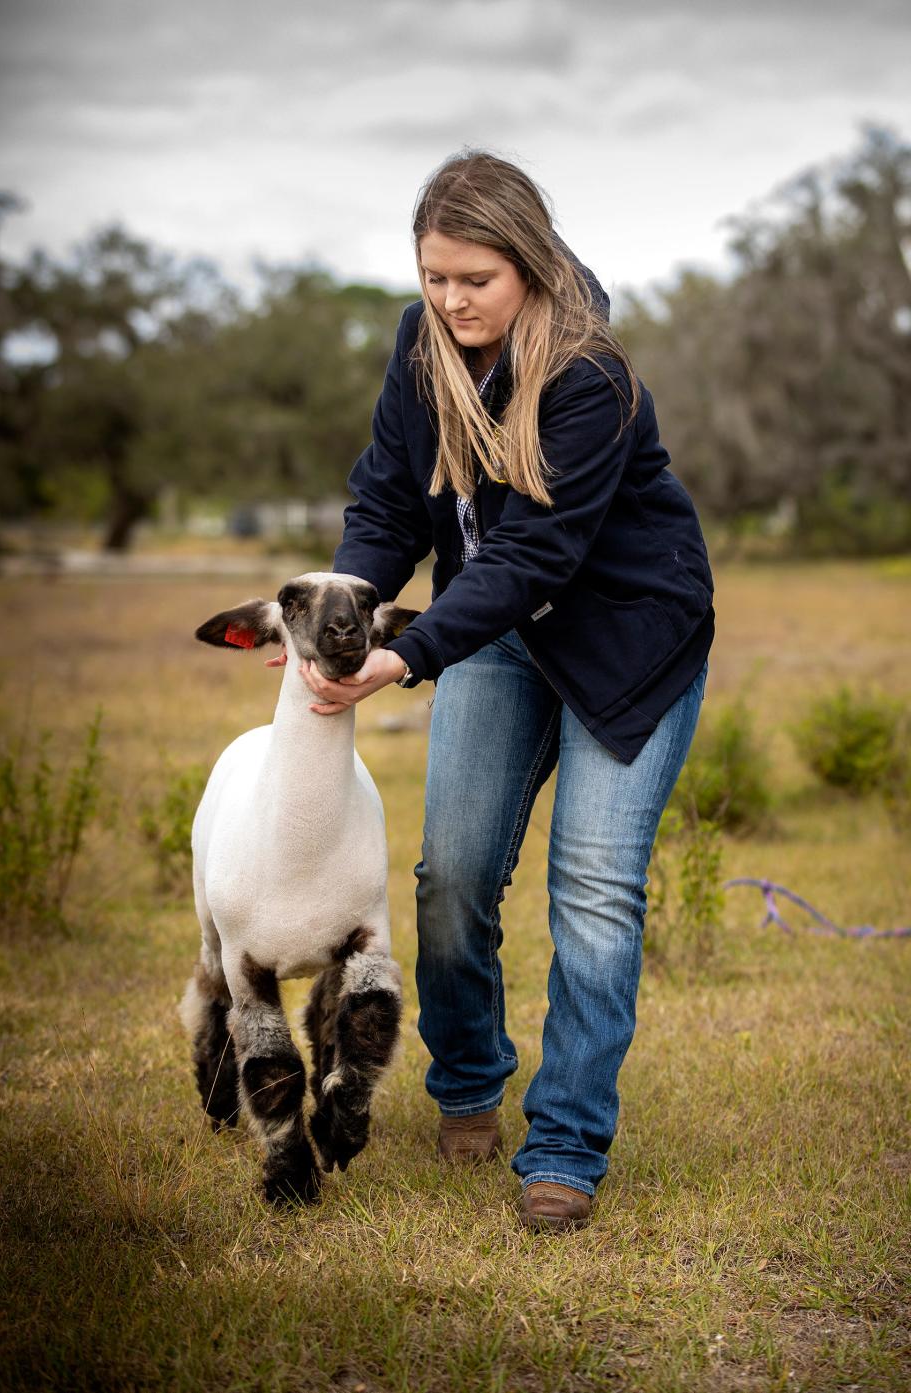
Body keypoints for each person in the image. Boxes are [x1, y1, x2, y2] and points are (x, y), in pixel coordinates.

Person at [285, 150, 714, 1231]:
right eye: (434, 276)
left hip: (629, 643)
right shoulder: (420, 347)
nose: (451, 299)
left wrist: (407, 653)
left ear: (525, 262)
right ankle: (469, 1078)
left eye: (474, 277)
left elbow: (533, 560)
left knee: (596, 891)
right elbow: (386, 505)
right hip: (495, 634)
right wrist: (349, 608)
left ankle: (564, 1143)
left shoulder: (590, 376)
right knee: (453, 879)